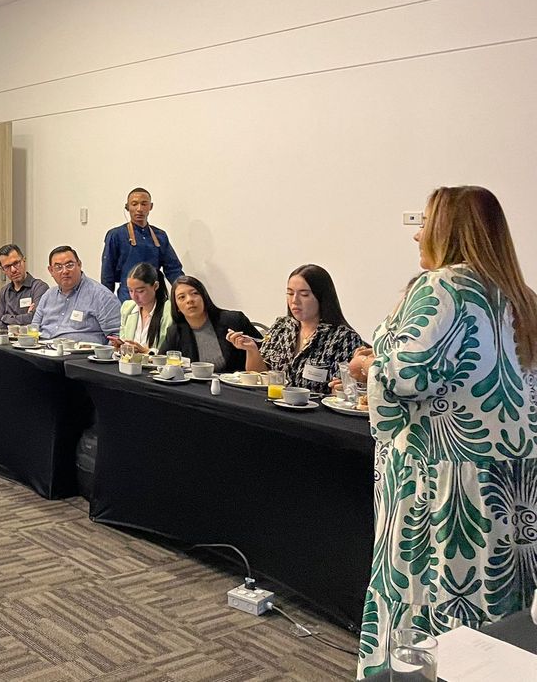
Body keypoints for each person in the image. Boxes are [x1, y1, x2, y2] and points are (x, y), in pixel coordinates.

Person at [354, 187, 537, 679]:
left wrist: (369, 366)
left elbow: (406, 376)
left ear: (447, 229)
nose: (417, 235)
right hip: (515, 484)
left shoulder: (440, 287)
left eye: (425, 223)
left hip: (443, 482)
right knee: (498, 615)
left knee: (429, 606)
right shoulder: (523, 297)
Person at [225, 264, 364, 392]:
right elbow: (260, 377)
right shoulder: (281, 327)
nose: (294, 300)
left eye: (304, 294)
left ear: (321, 297)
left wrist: (343, 388)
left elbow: (349, 389)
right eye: (290, 293)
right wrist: (252, 350)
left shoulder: (344, 339)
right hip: (272, 405)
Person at [100, 187, 185, 302]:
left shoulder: (160, 236)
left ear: (151, 206)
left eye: (144, 204)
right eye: (134, 204)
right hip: (128, 299)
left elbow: (173, 269)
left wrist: (183, 291)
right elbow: (107, 274)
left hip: (155, 298)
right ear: (127, 207)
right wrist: (106, 303)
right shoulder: (116, 235)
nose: (139, 209)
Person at [161, 275, 257, 373]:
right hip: (194, 383)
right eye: (182, 297)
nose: (189, 300)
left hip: (237, 382)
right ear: (176, 306)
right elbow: (160, 365)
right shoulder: (175, 332)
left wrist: (252, 350)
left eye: (195, 293)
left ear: (204, 297)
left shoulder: (234, 320)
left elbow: (264, 364)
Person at [32, 246, 121, 344]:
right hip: (42, 349)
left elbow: (116, 337)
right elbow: (34, 328)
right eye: (58, 267)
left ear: (79, 264)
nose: (65, 271)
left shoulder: (102, 296)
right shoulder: (47, 296)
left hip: (78, 352)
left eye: (69, 265)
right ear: (51, 271)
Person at [112, 263, 172, 354]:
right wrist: (121, 346)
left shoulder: (169, 311)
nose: (134, 296)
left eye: (140, 291)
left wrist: (146, 351)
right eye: (130, 291)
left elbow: (171, 352)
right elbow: (125, 342)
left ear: (155, 286)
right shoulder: (127, 308)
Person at [0, 244, 49, 327]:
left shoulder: (39, 288)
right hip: (6, 336)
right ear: (3, 270)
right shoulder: (4, 291)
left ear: (24, 260)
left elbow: (35, 319)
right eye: (7, 267)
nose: (13, 270)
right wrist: (25, 318)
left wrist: (5, 318)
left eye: (16, 263)